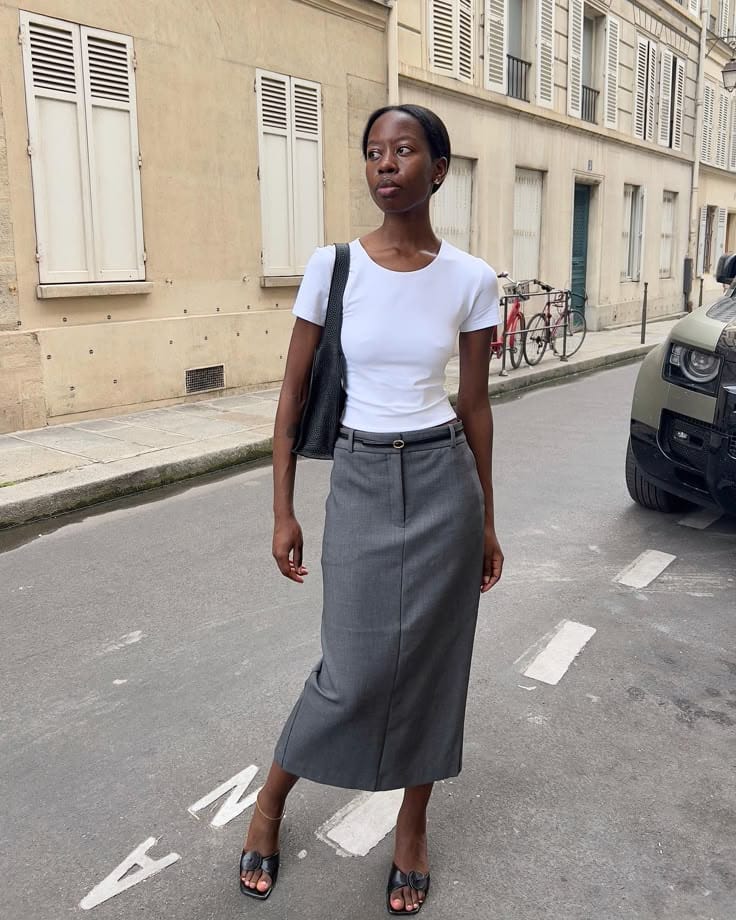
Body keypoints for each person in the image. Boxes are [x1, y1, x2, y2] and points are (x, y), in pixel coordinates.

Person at [239, 103, 504, 914]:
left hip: (443, 481)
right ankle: (269, 804)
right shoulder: (334, 268)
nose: (385, 163)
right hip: (358, 476)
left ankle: (412, 827)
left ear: (438, 169)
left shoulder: (471, 279)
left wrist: (488, 520)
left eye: (404, 150)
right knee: (349, 673)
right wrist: (282, 509)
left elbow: (475, 405)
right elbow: (291, 396)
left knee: (433, 665)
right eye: (373, 152)